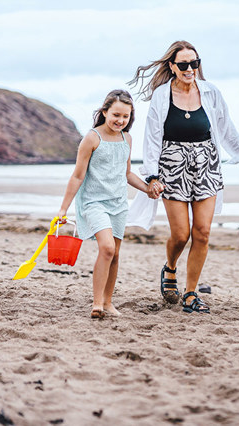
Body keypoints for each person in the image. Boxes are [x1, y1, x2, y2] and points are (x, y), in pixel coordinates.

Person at [127, 40, 239, 314]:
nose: (190, 69)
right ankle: (170, 268)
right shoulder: (162, 96)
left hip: (206, 166)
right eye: (184, 64)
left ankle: (190, 293)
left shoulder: (211, 92)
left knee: (202, 233)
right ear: (173, 66)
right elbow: (152, 137)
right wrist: (151, 176)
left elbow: (226, 128)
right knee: (180, 234)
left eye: (194, 63)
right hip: (171, 168)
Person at [57, 89, 155, 319]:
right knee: (107, 248)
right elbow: (77, 176)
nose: (120, 121)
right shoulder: (92, 138)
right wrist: (63, 209)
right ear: (104, 112)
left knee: (116, 253)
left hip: (119, 204)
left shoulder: (126, 139)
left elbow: (127, 174)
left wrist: (148, 189)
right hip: (93, 202)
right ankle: (97, 303)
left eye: (126, 117)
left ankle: (108, 302)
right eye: (116, 115)